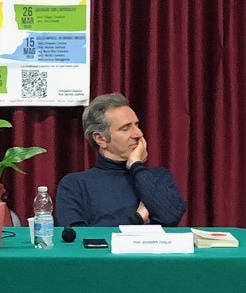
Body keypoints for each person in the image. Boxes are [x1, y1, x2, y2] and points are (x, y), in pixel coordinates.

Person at [53, 94, 186, 229]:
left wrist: (136, 166)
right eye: (125, 128)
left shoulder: (158, 177)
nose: (138, 134)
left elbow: (171, 217)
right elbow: (77, 237)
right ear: (100, 139)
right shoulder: (75, 185)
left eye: (136, 125)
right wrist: (138, 218)